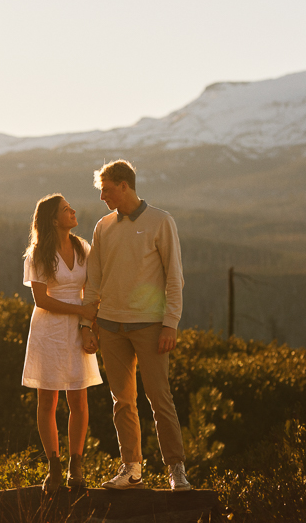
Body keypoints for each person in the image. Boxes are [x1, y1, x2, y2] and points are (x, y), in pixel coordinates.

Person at [82, 160, 191, 492]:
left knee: (159, 398)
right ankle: (132, 470)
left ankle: (176, 469)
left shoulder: (161, 221)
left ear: (124, 186)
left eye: (107, 189)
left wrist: (170, 324)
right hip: (111, 327)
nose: (102, 197)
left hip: (150, 326)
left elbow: (175, 278)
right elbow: (94, 278)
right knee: (122, 401)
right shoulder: (103, 227)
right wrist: (88, 323)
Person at [22, 193, 103, 493]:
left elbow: (93, 289)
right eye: (66, 209)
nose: (73, 211)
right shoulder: (38, 254)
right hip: (49, 331)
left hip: (77, 328)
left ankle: (76, 464)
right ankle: (53, 465)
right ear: (54, 219)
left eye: (71, 207)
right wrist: (80, 310)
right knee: (48, 401)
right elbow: (41, 299)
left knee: (78, 401)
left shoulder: (83, 248)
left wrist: (89, 325)